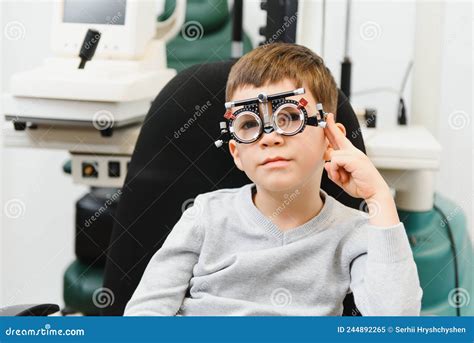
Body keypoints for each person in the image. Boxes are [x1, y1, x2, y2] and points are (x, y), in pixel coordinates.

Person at [123, 43, 423, 316]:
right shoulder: (206, 216)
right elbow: (144, 315)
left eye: (289, 117)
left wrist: (379, 197)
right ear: (236, 152)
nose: (270, 138)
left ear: (330, 139)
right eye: (250, 124)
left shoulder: (352, 232)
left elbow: (396, 321)